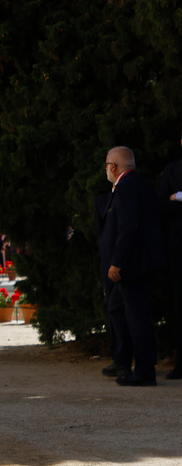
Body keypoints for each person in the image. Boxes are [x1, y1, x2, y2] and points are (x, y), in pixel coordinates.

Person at [98, 146, 164, 386]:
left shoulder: (125, 188)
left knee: (137, 318)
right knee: (117, 308)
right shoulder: (141, 184)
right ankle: (123, 360)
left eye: (106, 165)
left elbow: (127, 229)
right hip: (141, 262)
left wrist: (117, 262)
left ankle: (145, 371)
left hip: (132, 266)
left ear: (113, 166)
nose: (105, 171)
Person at [158, 130, 182, 380]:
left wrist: (180, 196)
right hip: (179, 250)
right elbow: (161, 205)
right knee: (179, 306)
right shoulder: (172, 170)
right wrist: (171, 200)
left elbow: (170, 201)